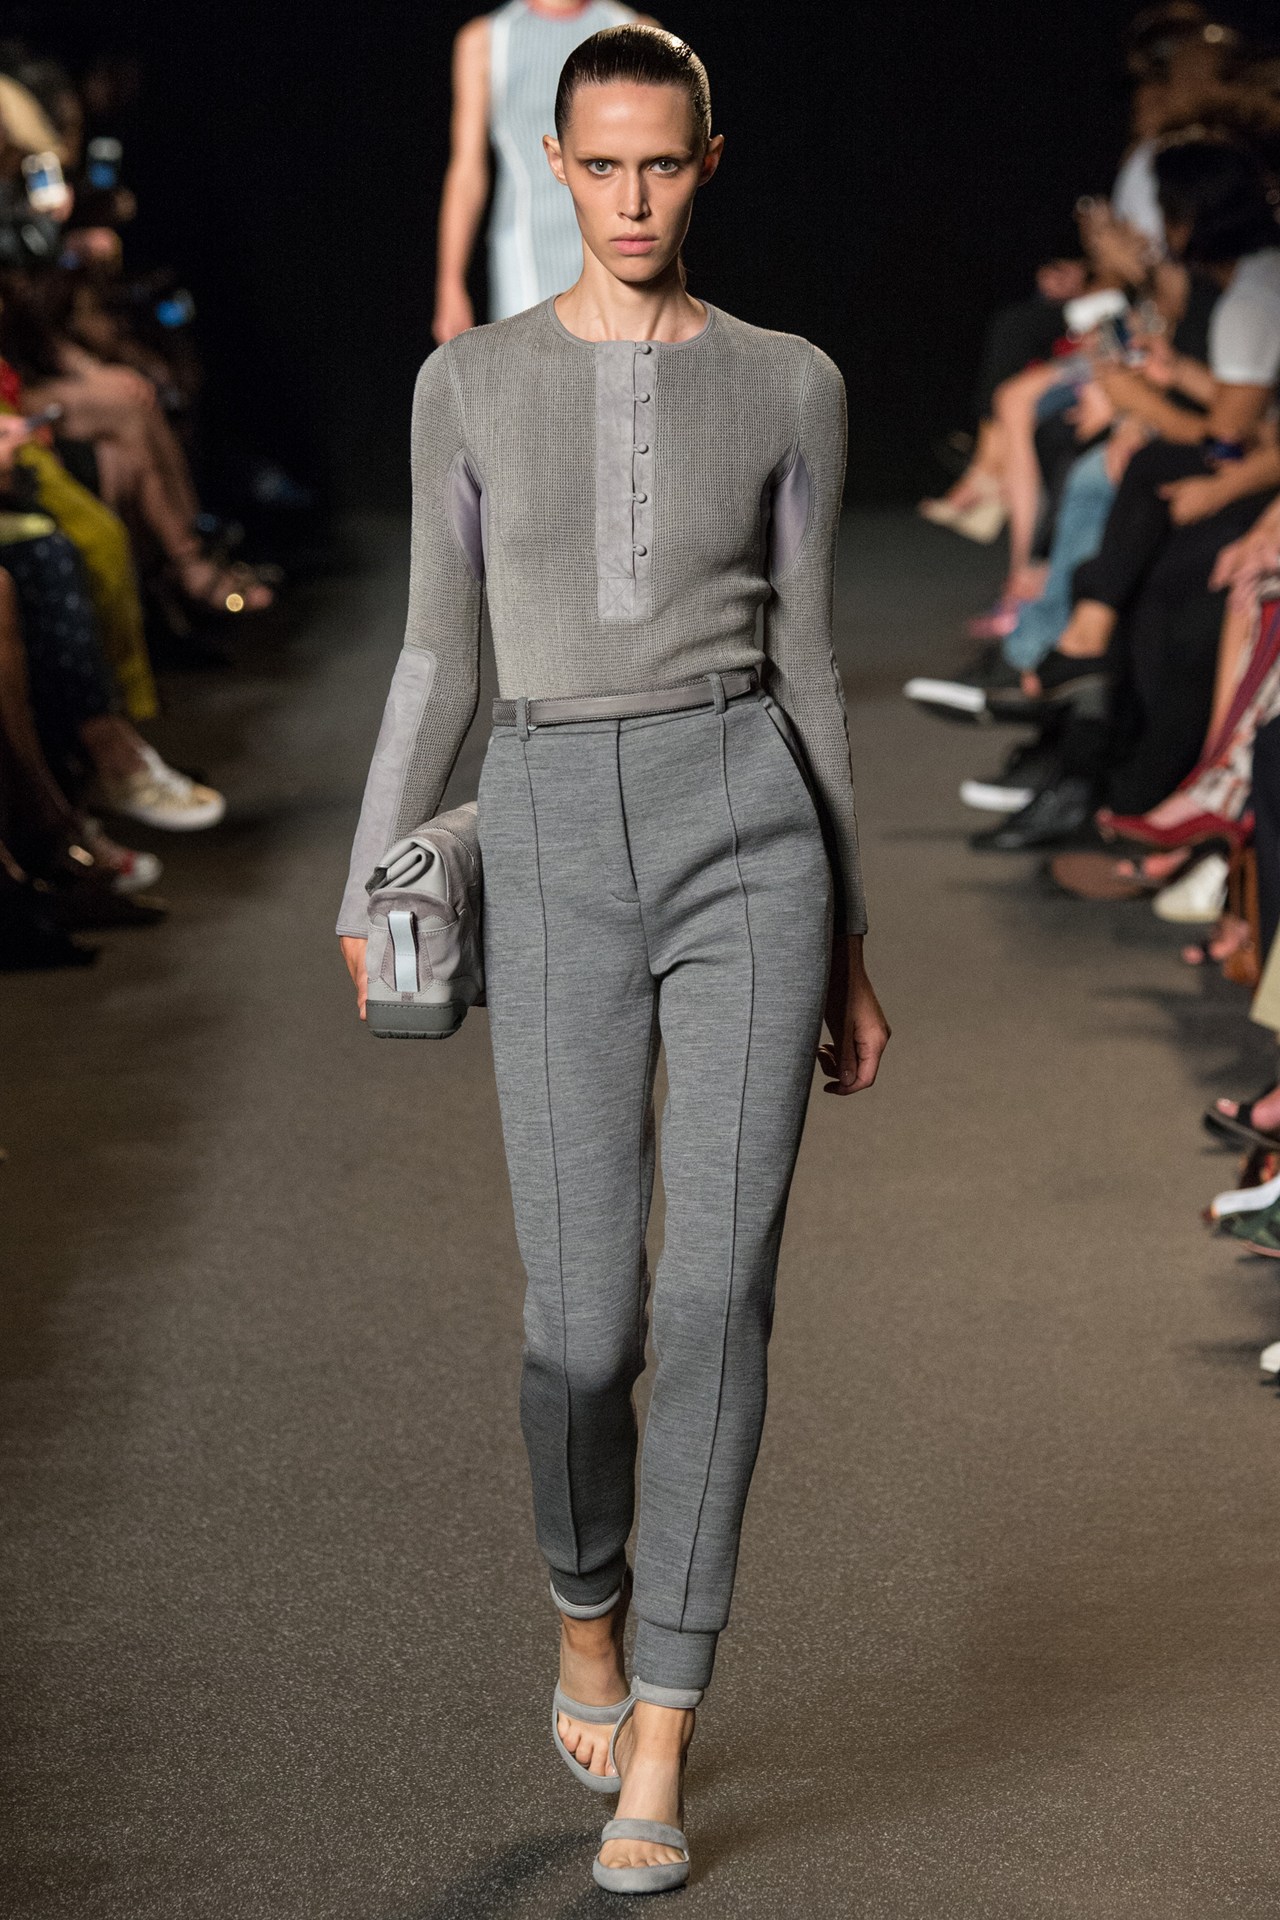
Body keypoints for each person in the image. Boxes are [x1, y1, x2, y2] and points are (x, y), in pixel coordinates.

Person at [340, 24, 889, 1895]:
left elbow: (811, 661)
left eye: (665, 164)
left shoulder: (791, 381)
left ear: (706, 165)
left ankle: (664, 1714)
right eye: (603, 166)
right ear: (555, 167)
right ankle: (585, 1597)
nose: (634, 199)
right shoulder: (468, 382)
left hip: (751, 826)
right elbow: (437, 648)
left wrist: (853, 939)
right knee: (582, 1328)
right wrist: (366, 887)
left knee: (719, 1295)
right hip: (554, 824)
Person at [432, 0, 657, 342]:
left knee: (623, 368)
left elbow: (659, 157)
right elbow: (467, 169)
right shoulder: (488, 40)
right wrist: (450, 283)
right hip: (526, 245)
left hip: (620, 237)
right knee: (535, 368)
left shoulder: (635, 29)